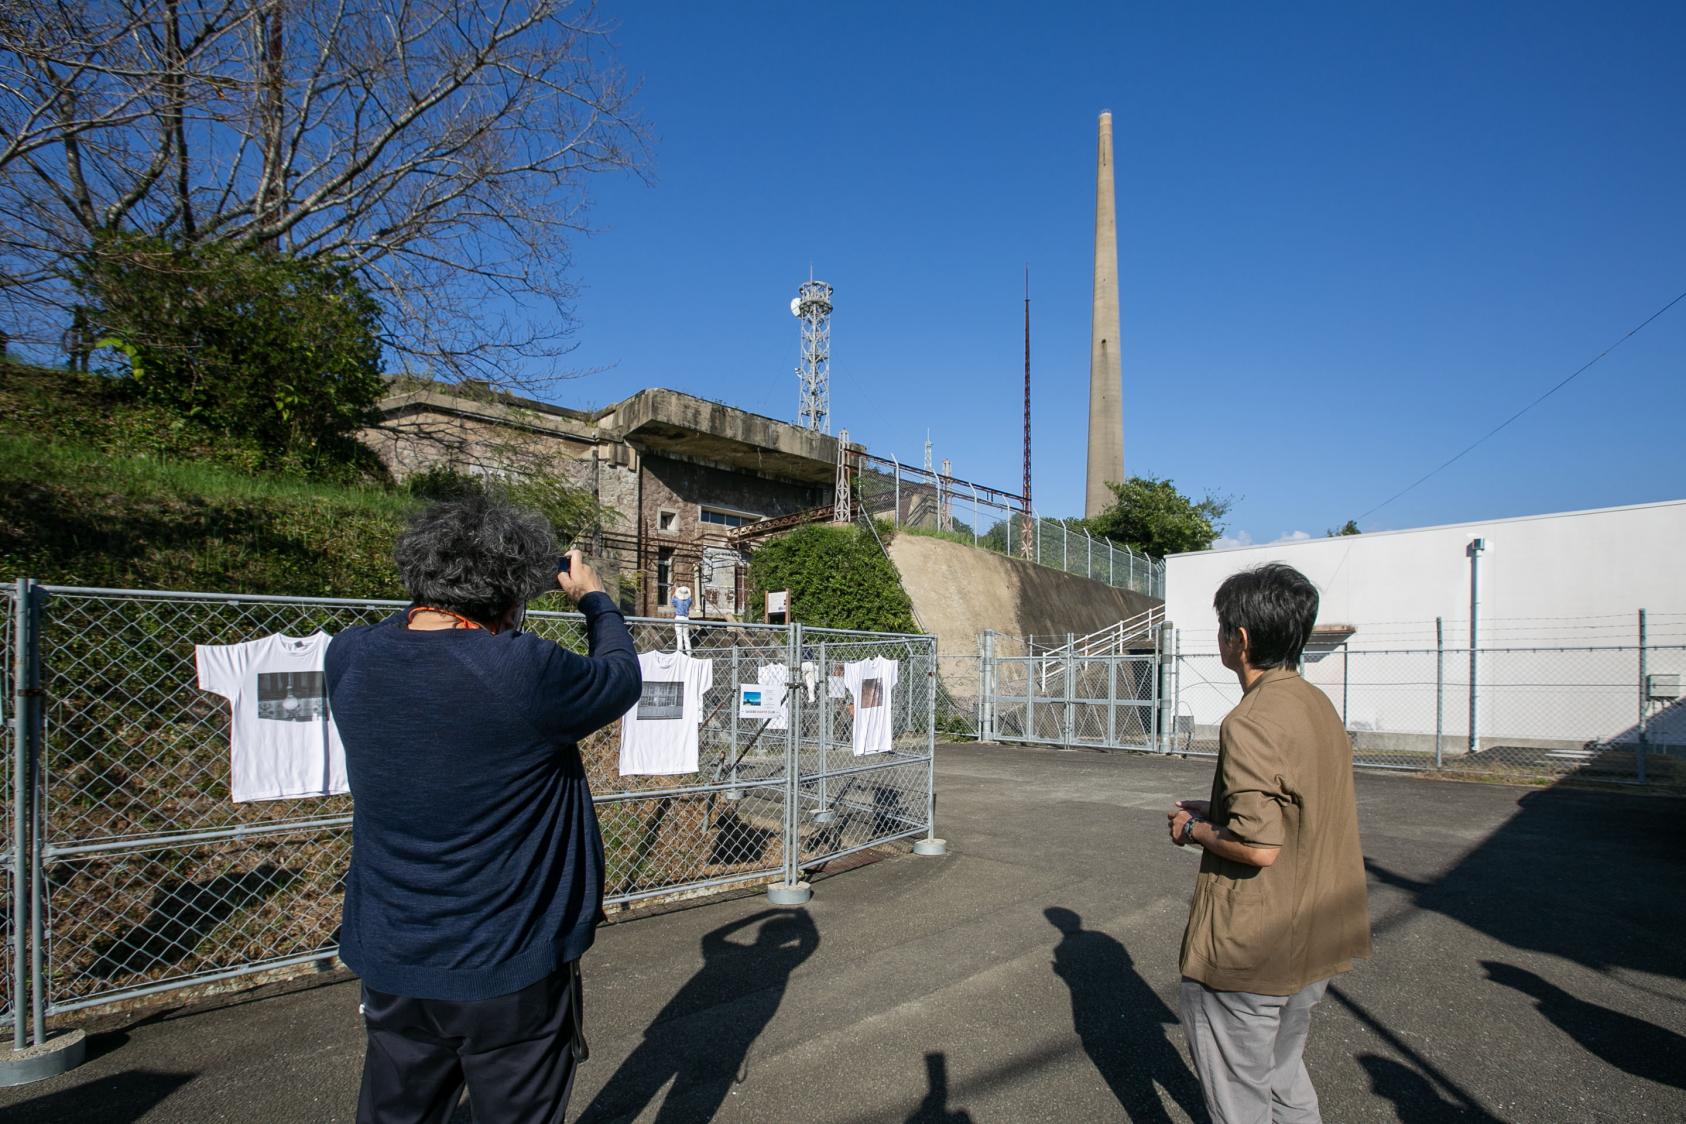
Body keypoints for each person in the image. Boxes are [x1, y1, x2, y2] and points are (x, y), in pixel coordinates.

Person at [325, 492, 642, 1124]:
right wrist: (593, 598)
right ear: (511, 591)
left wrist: (452, 586)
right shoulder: (521, 668)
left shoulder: (350, 656)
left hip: (393, 950)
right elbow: (620, 676)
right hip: (509, 959)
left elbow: (417, 634)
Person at [1167, 562, 1370, 1124]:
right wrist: (1220, 809)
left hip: (1252, 950)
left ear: (1242, 639)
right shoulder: (1317, 704)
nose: (1222, 638)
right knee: (1284, 1078)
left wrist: (1192, 829)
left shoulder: (1249, 720)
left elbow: (1259, 847)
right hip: (1315, 935)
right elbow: (1295, 803)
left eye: (1223, 627)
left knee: (1240, 1099)